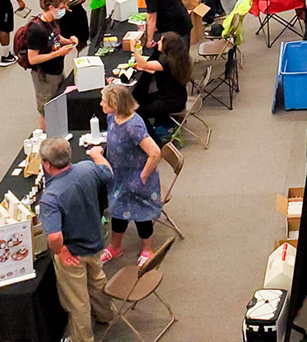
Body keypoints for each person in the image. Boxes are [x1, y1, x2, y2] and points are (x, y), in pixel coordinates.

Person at [38, 137, 118, 342]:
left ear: (47, 164)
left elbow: (54, 236)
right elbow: (108, 173)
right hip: (95, 242)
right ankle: (105, 315)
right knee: (98, 281)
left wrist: (61, 251)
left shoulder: (51, 197)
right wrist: (97, 155)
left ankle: (83, 339)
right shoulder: (87, 169)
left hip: (74, 252)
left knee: (78, 302)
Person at [94, 84, 163, 266]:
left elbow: (155, 152)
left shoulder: (134, 126)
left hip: (136, 178)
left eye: (104, 101)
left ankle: (147, 249)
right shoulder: (112, 117)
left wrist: (143, 176)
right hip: (119, 176)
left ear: (116, 104)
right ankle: (115, 247)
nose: (101, 103)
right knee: (117, 211)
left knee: (141, 216)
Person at [26, 0, 77, 127]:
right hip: (44, 75)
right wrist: (57, 53)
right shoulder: (35, 30)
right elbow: (32, 59)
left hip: (57, 70)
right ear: (51, 8)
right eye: (60, 9)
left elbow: (56, 37)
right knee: (46, 108)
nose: (62, 12)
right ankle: (45, 136)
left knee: (59, 101)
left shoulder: (52, 23)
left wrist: (69, 41)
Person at [131, 31, 193, 135]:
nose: (158, 43)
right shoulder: (179, 59)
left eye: (161, 41)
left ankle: (151, 136)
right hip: (177, 96)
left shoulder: (167, 62)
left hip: (171, 101)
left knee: (138, 112)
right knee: (141, 99)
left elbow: (145, 65)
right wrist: (144, 66)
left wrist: (134, 50)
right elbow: (154, 69)